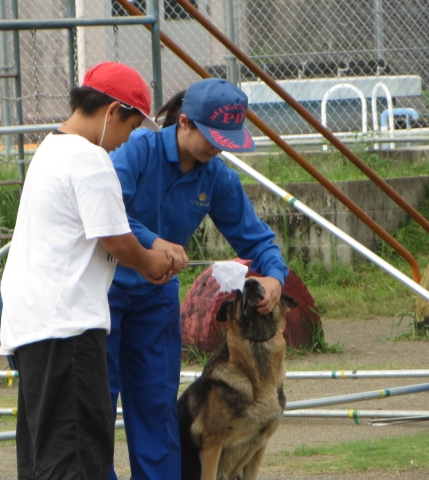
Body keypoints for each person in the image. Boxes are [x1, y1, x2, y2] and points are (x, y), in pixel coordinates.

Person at [106, 78, 290, 479]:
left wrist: (274, 275)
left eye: (226, 139)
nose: (217, 147)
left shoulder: (216, 177)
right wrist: (154, 242)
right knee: (99, 403)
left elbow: (256, 238)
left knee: (157, 404)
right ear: (185, 122)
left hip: (156, 299)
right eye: (211, 137)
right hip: (106, 291)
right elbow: (103, 208)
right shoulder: (139, 150)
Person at [0, 62, 173, 479]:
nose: (122, 144)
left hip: (32, 328)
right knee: (77, 460)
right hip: (68, 333)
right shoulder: (89, 158)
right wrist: (152, 263)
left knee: (45, 461)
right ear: (112, 111)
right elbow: (114, 238)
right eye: (129, 130)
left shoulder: (50, 149)